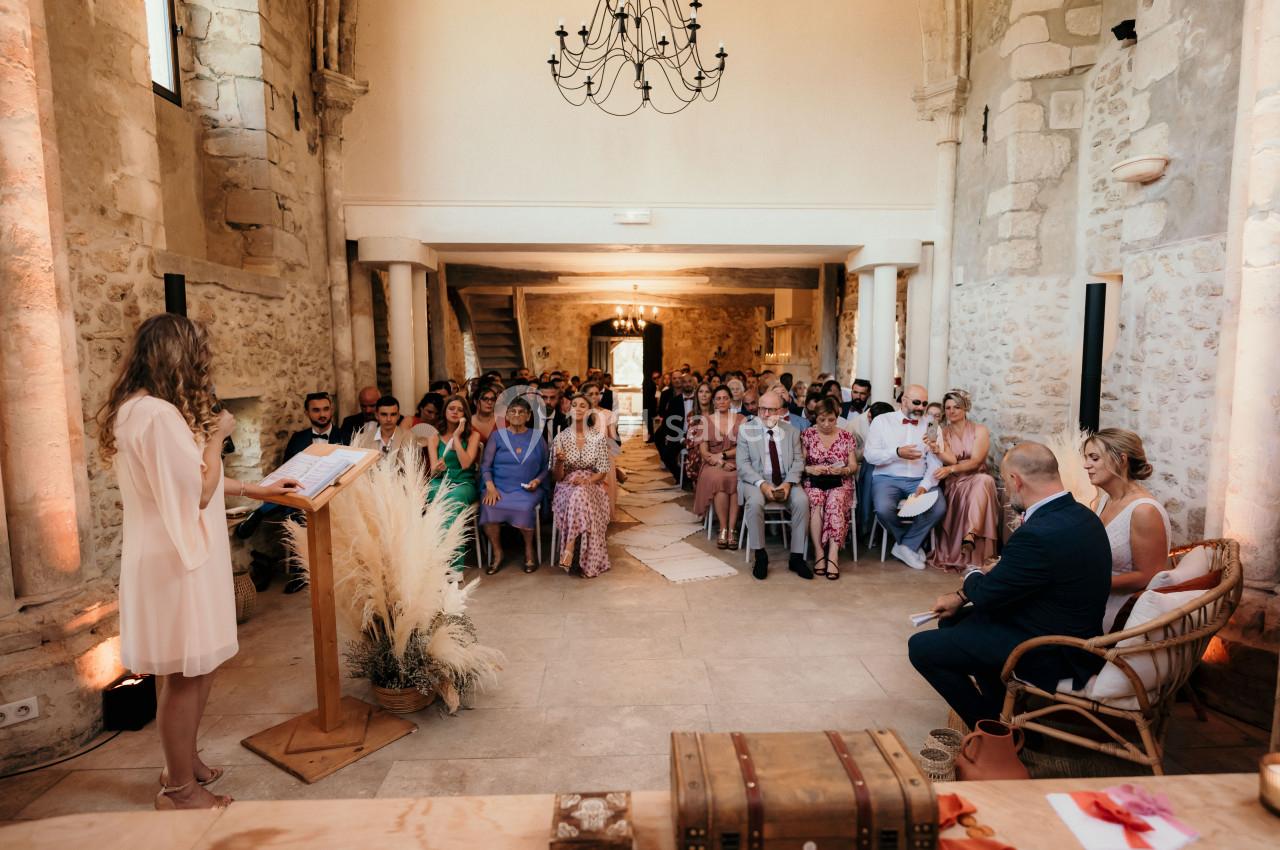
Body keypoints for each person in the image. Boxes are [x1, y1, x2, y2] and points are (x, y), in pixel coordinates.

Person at [97, 313, 301, 810]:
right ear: (180, 358)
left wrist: (257, 488)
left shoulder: (136, 409)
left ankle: (185, 761)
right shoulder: (159, 417)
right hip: (178, 559)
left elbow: (191, 480)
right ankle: (179, 787)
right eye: (200, 356)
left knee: (198, 668)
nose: (205, 365)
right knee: (187, 675)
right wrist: (218, 432)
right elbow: (198, 490)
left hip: (175, 553)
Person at [908, 443, 1112, 729]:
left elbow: (988, 596)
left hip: (1050, 648)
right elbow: (1032, 576)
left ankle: (993, 729)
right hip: (1070, 631)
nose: (1006, 488)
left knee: (921, 647)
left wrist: (973, 572)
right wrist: (987, 581)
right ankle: (1000, 707)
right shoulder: (1084, 516)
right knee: (954, 622)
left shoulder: (1037, 533)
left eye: (1005, 481)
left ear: (1017, 480)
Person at [1083, 428, 1171, 631]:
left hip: (1119, 612)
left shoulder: (1144, 511)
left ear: (1121, 460)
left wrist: (1089, 583)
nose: (1086, 465)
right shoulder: (1103, 500)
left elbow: (1148, 576)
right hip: (1093, 598)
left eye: (1094, 458)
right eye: (1086, 458)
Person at [863, 384, 946, 570]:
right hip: (887, 478)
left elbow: (935, 461)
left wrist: (925, 484)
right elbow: (870, 456)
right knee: (884, 509)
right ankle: (910, 544)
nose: (920, 407)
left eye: (924, 403)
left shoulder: (932, 425)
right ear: (903, 400)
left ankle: (906, 546)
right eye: (916, 402)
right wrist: (897, 452)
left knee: (939, 507)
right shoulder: (882, 421)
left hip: (919, 478)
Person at [736, 391, 812, 581]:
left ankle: (796, 556)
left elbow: (798, 461)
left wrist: (787, 485)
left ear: (780, 411)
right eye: (762, 409)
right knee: (754, 503)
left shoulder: (791, 431)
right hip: (756, 479)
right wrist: (762, 485)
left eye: (770, 410)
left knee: (802, 501)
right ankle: (760, 555)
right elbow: (743, 464)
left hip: (786, 479)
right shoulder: (747, 430)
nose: (765, 414)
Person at [925, 389, 1000, 571]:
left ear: (965, 408)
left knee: (984, 481)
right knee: (984, 483)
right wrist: (937, 448)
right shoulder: (941, 431)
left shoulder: (980, 430)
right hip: (955, 482)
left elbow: (976, 462)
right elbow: (950, 458)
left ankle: (971, 534)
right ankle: (971, 535)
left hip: (975, 475)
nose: (952, 411)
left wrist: (950, 468)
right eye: (948, 407)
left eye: (957, 407)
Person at [480, 397, 547, 574]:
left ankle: (528, 551)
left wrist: (537, 481)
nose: (517, 415)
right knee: (489, 505)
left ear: (528, 416)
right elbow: (485, 466)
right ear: (507, 415)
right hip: (499, 487)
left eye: (521, 412)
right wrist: (491, 487)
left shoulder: (537, 437)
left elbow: (546, 467)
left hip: (527, 488)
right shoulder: (497, 436)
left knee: (525, 508)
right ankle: (497, 553)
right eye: (513, 412)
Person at [552, 394, 612, 577]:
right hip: (566, 486)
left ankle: (569, 545)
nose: (578, 408)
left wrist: (587, 481)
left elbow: (602, 471)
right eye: (574, 405)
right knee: (578, 494)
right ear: (569, 410)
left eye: (583, 406)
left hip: (593, 484)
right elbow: (557, 477)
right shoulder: (560, 438)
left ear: (589, 411)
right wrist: (560, 462)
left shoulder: (598, 438)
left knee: (581, 493)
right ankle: (585, 561)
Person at [801, 398, 858, 579]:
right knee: (816, 501)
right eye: (822, 420)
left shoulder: (846, 436)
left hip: (840, 481)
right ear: (815, 418)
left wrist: (843, 470)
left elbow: (853, 465)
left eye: (831, 420)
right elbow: (800, 464)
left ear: (837, 417)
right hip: (814, 480)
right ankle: (819, 552)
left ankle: (833, 554)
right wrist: (811, 469)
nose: (826, 424)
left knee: (835, 501)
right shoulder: (807, 435)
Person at [694, 386, 745, 548]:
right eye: (718, 398)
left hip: (736, 460)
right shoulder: (706, 420)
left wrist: (724, 456)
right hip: (712, 463)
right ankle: (723, 528)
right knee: (720, 478)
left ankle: (732, 529)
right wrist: (720, 462)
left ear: (731, 400)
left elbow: (744, 447)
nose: (722, 401)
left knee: (738, 477)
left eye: (725, 398)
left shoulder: (741, 419)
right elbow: (704, 451)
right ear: (714, 401)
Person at [429, 395, 481, 509]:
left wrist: (456, 436)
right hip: (441, 481)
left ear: (465, 415)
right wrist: (438, 468)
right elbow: (433, 473)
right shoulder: (434, 438)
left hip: (464, 484)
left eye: (460, 410)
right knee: (432, 492)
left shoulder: (473, 436)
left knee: (454, 497)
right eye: (451, 408)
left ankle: (444, 527)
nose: (455, 412)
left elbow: (465, 464)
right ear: (445, 412)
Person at [581, 381, 621, 516]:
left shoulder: (607, 414)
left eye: (597, 393)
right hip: (583, 455)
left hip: (603, 455)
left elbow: (613, 439)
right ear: (583, 395)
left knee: (605, 487)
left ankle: (603, 515)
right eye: (590, 394)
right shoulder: (579, 414)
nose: (594, 396)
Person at [658, 373, 696, 481]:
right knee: (666, 455)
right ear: (681, 384)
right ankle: (682, 478)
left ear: (693, 383)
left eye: (690, 381)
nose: (687, 384)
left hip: (698, 436)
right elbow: (667, 423)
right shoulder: (675, 401)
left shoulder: (699, 399)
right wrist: (681, 438)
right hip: (679, 435)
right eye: (685, 382)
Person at [683, 381, 714, 490]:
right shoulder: (691, 415)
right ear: (697, 395)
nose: (704, 395)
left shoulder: (717, 413)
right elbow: (692, 440)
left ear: (712, 395)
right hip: (696, 448)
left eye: (707, 392)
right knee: (698, 453)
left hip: (716, 446)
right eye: (701, 392)